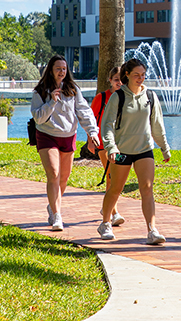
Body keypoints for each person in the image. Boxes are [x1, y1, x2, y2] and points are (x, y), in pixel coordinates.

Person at [97, 58, 170, 245]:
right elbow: (107, 125)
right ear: (127, 75)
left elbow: (157, 125)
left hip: (144, 149)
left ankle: (152, 230)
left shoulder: (151, 97)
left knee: (147, 188)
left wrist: (164, 148)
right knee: (116, 188)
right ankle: (105, 223)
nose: (140, 78)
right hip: (122, 150)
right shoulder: (118, 97)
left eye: (143, 75)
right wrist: (111, 147)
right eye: (136, 75)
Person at [31, 54, 99, 231]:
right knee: (53, 173)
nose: (61, 72)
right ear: (50, 71)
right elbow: (38, 118)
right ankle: (57, 215)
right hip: (47, 135)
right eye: (58, 69)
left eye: (64, 69)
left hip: (68, 136)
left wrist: (92, 132)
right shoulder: (40, 91)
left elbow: (83, 111)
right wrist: (51, 102)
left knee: (64, 177)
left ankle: (53, 205)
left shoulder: (73, 89)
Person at [90, 65, 125, 227]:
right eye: (116, 79)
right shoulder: (101, 98)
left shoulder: (126, 97)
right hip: (103, 143)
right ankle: (114, 213)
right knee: (111, 176)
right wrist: (90, 139)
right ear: (110, 80)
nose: (119, 83)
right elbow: (90, 119)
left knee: (117, 179)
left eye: (121, 80)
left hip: (122, 144)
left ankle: (107, 208)